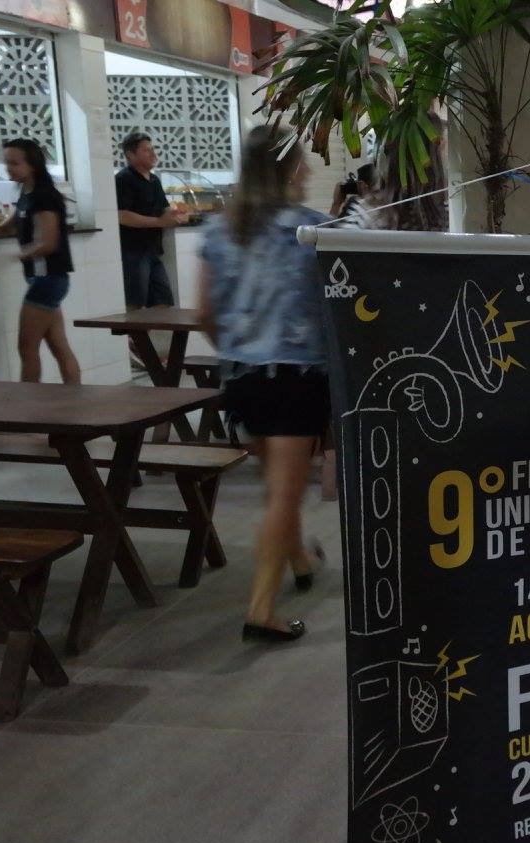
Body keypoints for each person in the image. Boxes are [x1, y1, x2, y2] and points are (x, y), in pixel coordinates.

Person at [197, 125, 328, 643]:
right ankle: (261, 611)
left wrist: (237, 348)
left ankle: (300, 560)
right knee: (284, 496)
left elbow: (205, 313)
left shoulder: (218, 230)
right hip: (296, 377)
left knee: (276, 485)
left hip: (241, 378)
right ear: (289, 169)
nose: (309, 169)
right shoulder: (311, 230)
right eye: (303, 161)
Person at [0, 138, 81, 384]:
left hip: (47, 280)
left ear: (33, 165)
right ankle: (75, 398)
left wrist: (17, 255)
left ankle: (28, 404)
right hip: (44, 280)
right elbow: (7, 227)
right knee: (59, 347)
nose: (8, 168)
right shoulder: (27, 195)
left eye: (14, 163)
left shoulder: (44, 197)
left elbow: (48, 243)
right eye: (6, 163)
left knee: (27, 349)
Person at [116, 132, 188, 309]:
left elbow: (164, 209)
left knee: (163, 301)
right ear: (130, 155)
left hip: (153, 250)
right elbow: (122, 215)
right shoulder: (124, 179)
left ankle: (152, 329)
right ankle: (134, 329)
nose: (153, 154)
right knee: (135, 305)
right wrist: (159, 222)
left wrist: (175, 215)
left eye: (152, 149)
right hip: (133, 252)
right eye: (146, 150)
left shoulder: (154, 180)